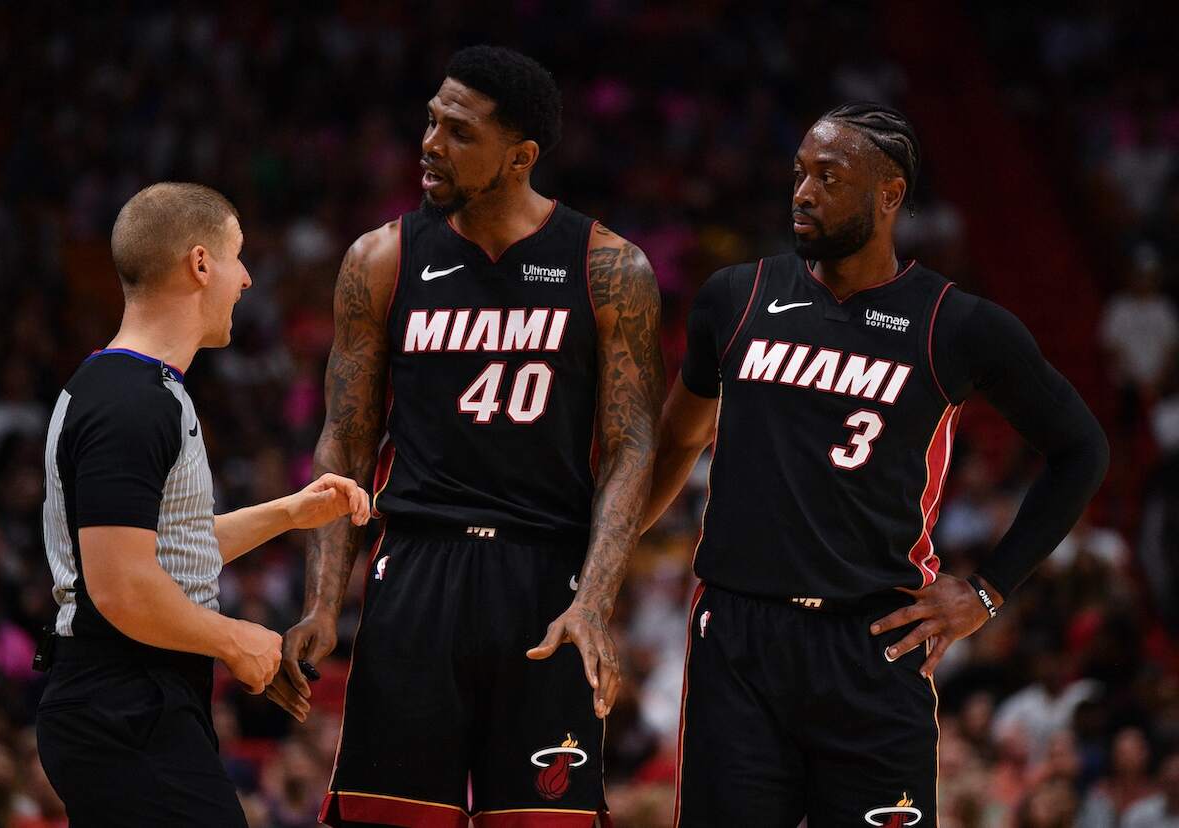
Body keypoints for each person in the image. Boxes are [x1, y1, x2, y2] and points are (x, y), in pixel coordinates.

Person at [644, 103, 1109, 826]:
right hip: (738, 639)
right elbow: (675, 443)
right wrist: (602, 558)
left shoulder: (955, 324)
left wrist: (987, 591)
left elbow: (1082, 450)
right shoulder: (735, 298)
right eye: (799, 173)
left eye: (828, 177)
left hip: (871, 645)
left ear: (889, 195)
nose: (803, 191)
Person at [265, 46, 664, 827]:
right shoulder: (380, 260)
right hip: (417, 569)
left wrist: (594, 601)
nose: (430, 143)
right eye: (430, 121)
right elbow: (344, 442)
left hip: (546, 577)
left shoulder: (610, 267)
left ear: (520, 157)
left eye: (458, 131)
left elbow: (631, 448)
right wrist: (322, 603)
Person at [34, 183, 371, 827]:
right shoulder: (131, 404)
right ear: (199, 264)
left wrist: (290, 514)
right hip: (123, 702)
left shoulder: (136, 387)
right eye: (238, 256)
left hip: (130, 702)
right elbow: (123, 586)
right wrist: (234, 639)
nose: (246, 278)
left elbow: (162, 549)